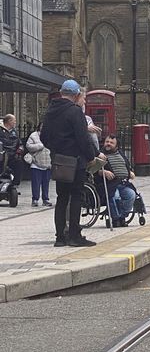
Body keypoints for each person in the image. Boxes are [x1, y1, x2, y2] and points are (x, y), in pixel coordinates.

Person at [40, 80, 104, 247]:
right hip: (76, 162)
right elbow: (83, 139)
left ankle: (60, 237)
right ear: (76, 95)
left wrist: (57, 151)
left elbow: (43, 137)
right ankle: (75, 236)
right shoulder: (75, 112)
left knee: (61, 198)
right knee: (76, 196)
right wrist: (92, 156)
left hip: (59, 161)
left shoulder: (51, 110)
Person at [99, 135, 135, 227]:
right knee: (115, 197)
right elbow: (92, 170)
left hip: (123, 183)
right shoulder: (100, 154)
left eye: (111, 143)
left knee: (131, 195)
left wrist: (130, 172)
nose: (108, 144)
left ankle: (122, 217)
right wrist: (103, 172)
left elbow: (126, 165)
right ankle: (115, 219)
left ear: (117, 146)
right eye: (107, 142)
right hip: (109, 184)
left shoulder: (120, 154)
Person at [26, 124, 52, 207]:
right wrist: (39, 146)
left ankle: (45, 199)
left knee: (46, 183)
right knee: (36, 183)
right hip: (36, 164)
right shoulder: (33, 135)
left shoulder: (51, 135)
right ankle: (35, 199)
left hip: (47, 163)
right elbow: (28, 146)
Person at [0, 114, 24, 188]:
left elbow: (19, 143)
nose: (15, 122)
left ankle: (15, 183)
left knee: (19, 163)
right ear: (9, 121)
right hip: (2, 155)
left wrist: (20, 149)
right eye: (14, 120)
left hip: (12, 155)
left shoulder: (14, 132)